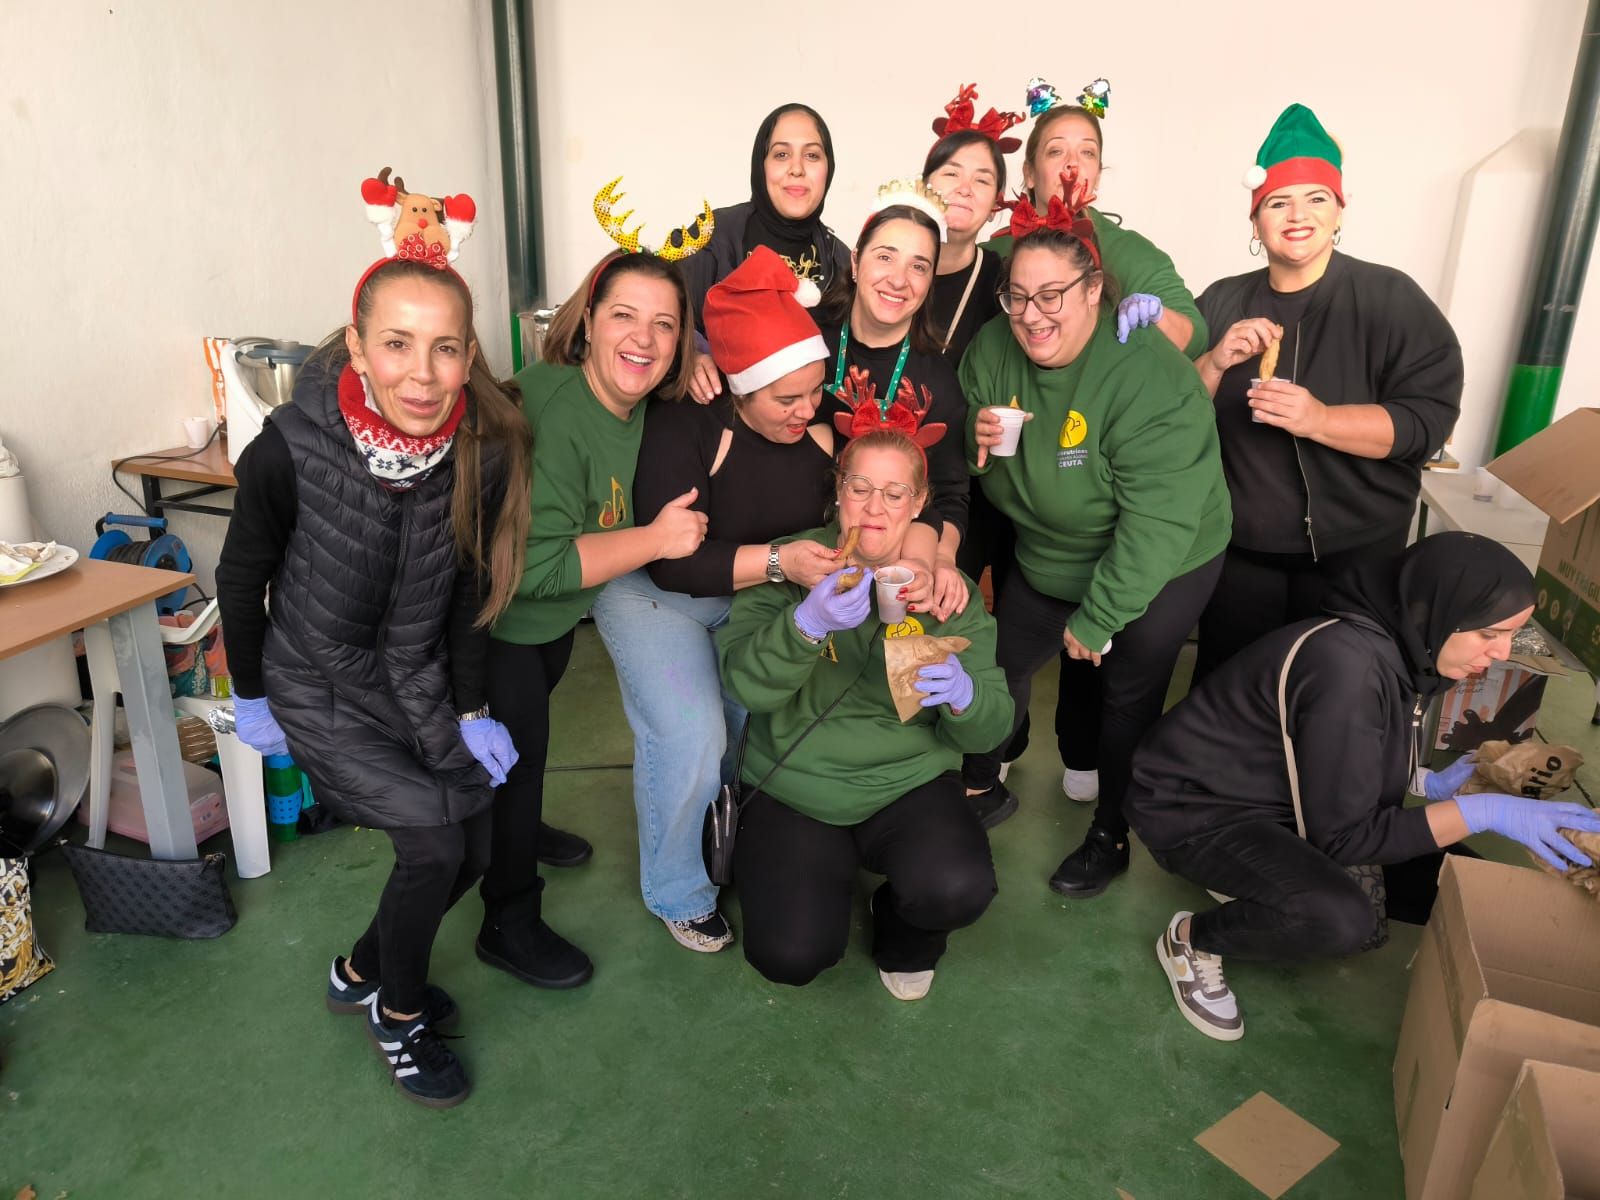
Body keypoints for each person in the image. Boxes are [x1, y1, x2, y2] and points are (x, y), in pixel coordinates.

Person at [218, 172, 529, 1108]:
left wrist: (470, 707)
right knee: (433, 852)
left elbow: (472, 585)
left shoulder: (482, 444)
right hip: (312, 681)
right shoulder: (286, 448)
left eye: (443, 350)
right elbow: (241, 577)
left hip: (414, 677)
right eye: (395, 345)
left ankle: (361, 967)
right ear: (356, 344)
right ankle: (397, 1017)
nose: (421, 376)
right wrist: (253, 695)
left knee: (471, 843)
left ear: (468, 353)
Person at [1126, 532, 1600, 1042]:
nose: (1503, 653)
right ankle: (1193, 939)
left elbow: (1354, 754)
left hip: (1286, 792)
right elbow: (1347, 838)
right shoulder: (1345, 668)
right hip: (1195, 807)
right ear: (1436, 608)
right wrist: (1485, 812)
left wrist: (1427, 782)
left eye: (1512, 634)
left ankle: (1271, 879)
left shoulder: (1407, 645)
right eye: (1489, 633)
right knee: (1338, 918)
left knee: (1461, 880)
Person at [960, 191, 1231, 902]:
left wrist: (1101, 615)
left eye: (1052, 294)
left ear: (1094, 292)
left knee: (1127, 690)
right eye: (1016, 296)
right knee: (1000, 659)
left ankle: (1110, 835)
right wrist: (977, 444)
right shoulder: (994, 349)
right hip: (1052, 548)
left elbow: (1158, 522)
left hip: (1166, 555)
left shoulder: (1146, 373)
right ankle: (976, 782)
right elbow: (973, 451)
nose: (1031, 314)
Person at [592, 247, 840, 952]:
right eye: (783, 400)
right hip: (656, 596)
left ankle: (726, 840)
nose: (804, 410)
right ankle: (678, 886)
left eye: (813, 392)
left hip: (750, 593)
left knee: (747, 730)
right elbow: (672, 567)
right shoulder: (686, 422)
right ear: (738, 387)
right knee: (691, 735)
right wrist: (778, 562)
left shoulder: (826, 418)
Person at [477, 248, 708, 990]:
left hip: (549, 629)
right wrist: (655, 541)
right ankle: (507, 922)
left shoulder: (635, 405)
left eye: (664, 325)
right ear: (587, 322)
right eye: (625, 316)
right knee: (517, 765)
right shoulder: (553, 409)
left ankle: (523, 828)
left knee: (526, 755)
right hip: (501, 624)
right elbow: (532, 569)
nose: (643, 338)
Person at [718, 422, 1013, 1000]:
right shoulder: (796, 564)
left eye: (894, 493)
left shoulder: (944, 590)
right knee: (789, 955)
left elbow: (993, 725)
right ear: (837, 492)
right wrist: (806, 624)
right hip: (795, 784)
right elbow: (746, 686)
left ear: (919, 503)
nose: (874, 508)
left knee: (957, 887)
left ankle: (903, 929)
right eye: (859, 488)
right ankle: (823, 883)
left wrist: (963, 694)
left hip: (907, 780)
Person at [983, 77, 1211, 808]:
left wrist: (1143, 337)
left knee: (1106, 662)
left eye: (1088, 151)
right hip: (1037, 513)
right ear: (1030, 170)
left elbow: (1185, 325)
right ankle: (996, 753)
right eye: (1056, 150)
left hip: (1130, 510)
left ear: (1091, 291)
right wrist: (976, 431)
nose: (1072, 164)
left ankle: (1103, 794)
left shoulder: (1121, 251)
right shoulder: (999, 260)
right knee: (1015, 642)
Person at [1191, 103, 1463, 682]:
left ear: (1339, 210)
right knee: (1235, 686)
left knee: (1337, 695)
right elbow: (1170, 415)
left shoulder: (1390, 299)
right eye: (1278, 202)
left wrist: (1318, 419)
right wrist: (1213, 361)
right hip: (1240, 551)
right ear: (1255, 219)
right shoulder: (1220, 301)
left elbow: (1427, 422)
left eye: (1317, 197)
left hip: (1357, 554)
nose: (1298, 215)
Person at [817, 193, 972, 620]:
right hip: (805, 546)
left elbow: (951, 492)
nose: (899, 280)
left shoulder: (938, 381)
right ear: (855, 261)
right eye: (885, 257)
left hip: (890, 561)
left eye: (918, 266)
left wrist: (940, 560)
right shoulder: (806, 341)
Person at [683, 103, 850, 402]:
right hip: (711, 419)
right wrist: (689, 355)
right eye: (781, 154)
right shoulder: (712, 234)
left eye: (812, 155)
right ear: (761, 165)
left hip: (804, 428)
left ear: (829, 169)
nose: (797, 169)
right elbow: (661, 311)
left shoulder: (841, 262)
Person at [922, 83, 1021, 359]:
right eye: (951, 174)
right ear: (923, 187)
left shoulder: (1003, 284)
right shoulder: (883, 259)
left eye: (981, 180)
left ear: (994, 205)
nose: (965, 188)